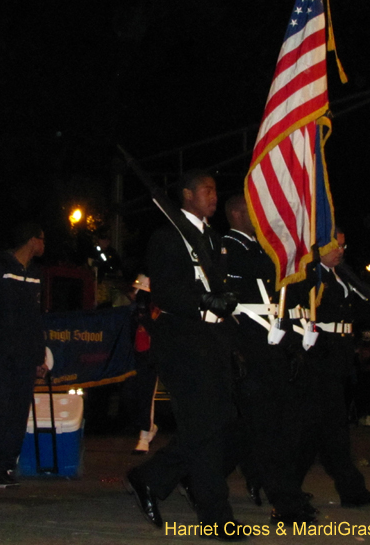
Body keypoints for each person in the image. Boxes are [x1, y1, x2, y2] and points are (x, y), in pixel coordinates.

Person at [124, 170, 244, 539]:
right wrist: (201, 301)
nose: (213, 195)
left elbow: (221, 285)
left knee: (219, 421)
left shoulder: (214, 238)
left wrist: (226, 304)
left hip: (215, 339)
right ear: (187, 195)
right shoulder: (167, 236)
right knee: (205, 426)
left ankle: (151, 476)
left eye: (213, 189)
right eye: (206, 189)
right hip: (182, 340)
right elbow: (164, 291)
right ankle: (215, 514)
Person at [222, 194, 314, 524]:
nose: (260, 217)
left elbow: (282, 300)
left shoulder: (262, 251)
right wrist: (235, 350)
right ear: (235, 213)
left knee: (263, 430)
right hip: (249, 347)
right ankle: (285, 501)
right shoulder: (227, 249)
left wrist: (291, 344)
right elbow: (227, 308)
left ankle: (192, 474)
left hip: (272, 346)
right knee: (266, 430)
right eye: (252, 211)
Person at [288, 228, 370, 508]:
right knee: (330, 428)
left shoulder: (341, 276)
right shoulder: (311, 275)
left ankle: (287, 487)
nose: (340, 250)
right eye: (333, 246)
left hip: (338, 357)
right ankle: (351, 490)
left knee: (316, 432)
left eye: (342, 245)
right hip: (319, 356)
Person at [0, 223, 48, 489]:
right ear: (30, 240)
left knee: (17, 413)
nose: (44, 245)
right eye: (41, 239)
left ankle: (5, 467)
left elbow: (36, 320)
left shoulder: (35, 274)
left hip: (24, 357)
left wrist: (39, 357)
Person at [124, 274, 159, 454]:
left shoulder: (157, 311)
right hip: (137, 356)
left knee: (147, 396)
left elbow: (157, 332)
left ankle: (144, 435)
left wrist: (144, 317)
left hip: (152, 357)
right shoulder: (132, 312)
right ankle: (147, 428)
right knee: (135, 395)